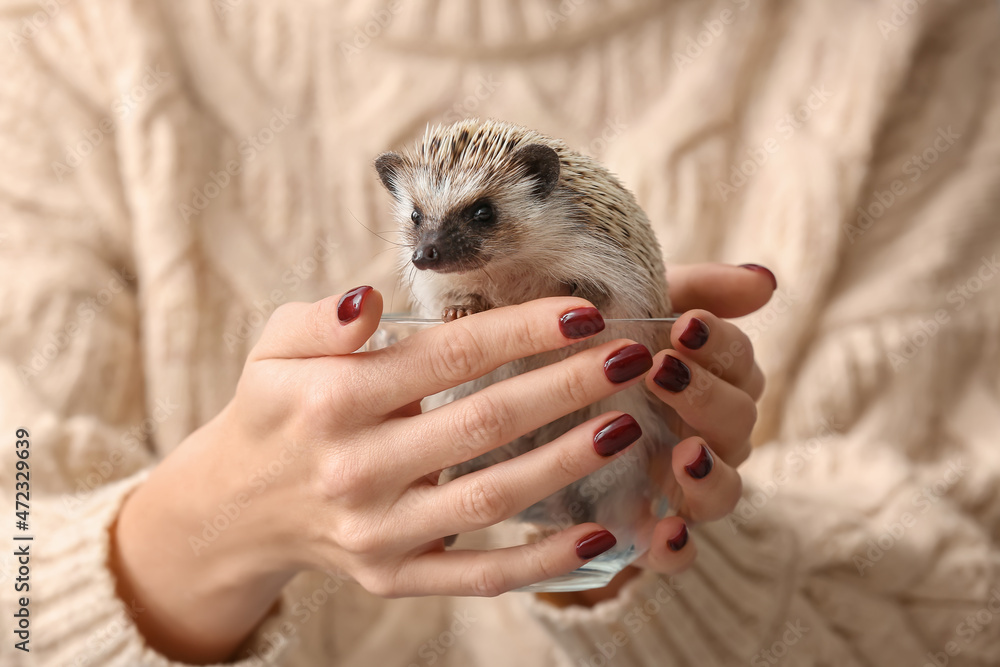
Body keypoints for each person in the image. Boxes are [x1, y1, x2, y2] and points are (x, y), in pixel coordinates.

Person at [2, 1, 999, 666]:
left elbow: (961, 588)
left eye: (476, 220)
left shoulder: (909, 32)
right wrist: (193, 538)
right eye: (419, 225)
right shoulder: (63, 31)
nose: (435, 250)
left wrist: (618, 562)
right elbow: (12, 573)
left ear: (536, 192)